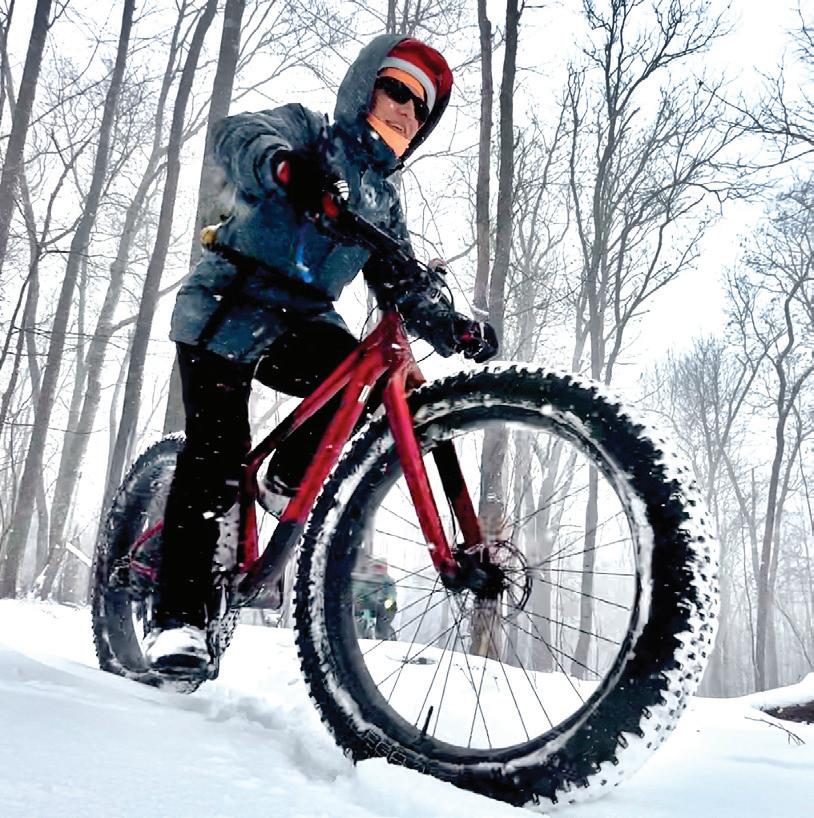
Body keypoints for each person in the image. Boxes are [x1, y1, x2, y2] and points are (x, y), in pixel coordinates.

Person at [144, 35, 497, 675]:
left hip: (301, 322)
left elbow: (401, 282)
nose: (406, 111)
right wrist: (287, 168)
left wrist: (453, 328)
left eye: (420, 107)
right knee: (216, 452)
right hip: (228, 302)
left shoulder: (383, 200)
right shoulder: (308, 133)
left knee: (363, 380)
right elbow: (235, 135)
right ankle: (178, 619)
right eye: (396, 90)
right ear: (365, 88)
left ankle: (285, 478)